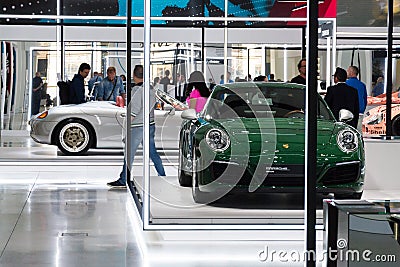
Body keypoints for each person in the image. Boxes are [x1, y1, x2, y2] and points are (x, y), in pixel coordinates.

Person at [107, 65, 166, 188]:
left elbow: (134, 110)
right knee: (152, 153)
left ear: (134, 76)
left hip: (138, 126)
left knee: (129, 153)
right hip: (150, 124)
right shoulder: (151, 89)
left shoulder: (137, 90)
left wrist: (127, 127)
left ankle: (124, 179)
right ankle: (162, 176)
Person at [346, 65, 367, 132]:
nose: (347, 72)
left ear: (352, 73)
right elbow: (365, 99)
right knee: (358, 131)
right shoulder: (362, 85)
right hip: (359, 111)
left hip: (348, 112)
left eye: (348, 71)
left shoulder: (346, 84)